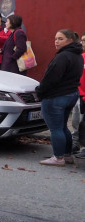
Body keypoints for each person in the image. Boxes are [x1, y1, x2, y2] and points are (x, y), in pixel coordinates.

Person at [34, 29, 83, 166]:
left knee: (56, 128)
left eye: (60, 39)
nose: (56, 41)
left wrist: (40, 92)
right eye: (55, 38)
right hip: (71, 94)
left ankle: (58, 157)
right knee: (62, 127)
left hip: (56, 97)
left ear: (70, 40)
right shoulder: (77, 55)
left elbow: (51, 79)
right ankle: (66, 155)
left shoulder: (63, 56)